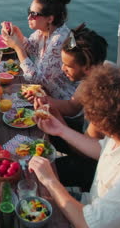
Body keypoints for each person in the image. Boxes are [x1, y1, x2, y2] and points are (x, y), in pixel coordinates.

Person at [29, 65, 120, 228]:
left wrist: (51, 180)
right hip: (97, 205)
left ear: (106, 125)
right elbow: (102, 150)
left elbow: (86, 222)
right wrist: (61, 130)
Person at [27, 23, 108, 191]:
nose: (63, 69)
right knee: (35, 129)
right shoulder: (101, 70)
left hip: (95, 164)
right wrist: (45, 100)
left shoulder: (101, 99)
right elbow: (72, 107)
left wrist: (60, 125)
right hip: (86, 139)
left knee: (33, 172)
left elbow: (85, 152)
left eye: (68, 66)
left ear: (86, 68)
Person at [1, 0, 77, 100]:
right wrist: (19, 36)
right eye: (29, 12)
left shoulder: (59, 40)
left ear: (50, 19)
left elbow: (37, 78)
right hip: (44, 93)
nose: (29, 17)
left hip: (61, 101)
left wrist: (18, 48)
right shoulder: (45, 30)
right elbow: (33, 47)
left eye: (34, 14)